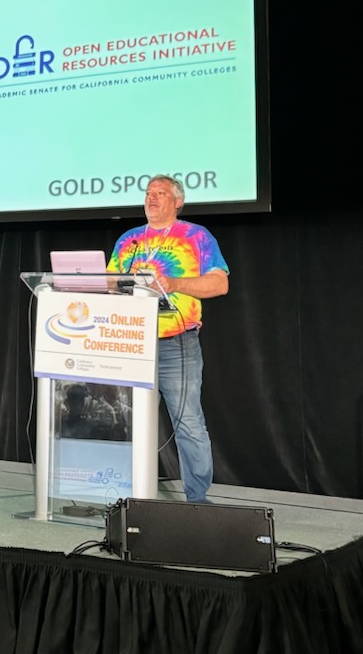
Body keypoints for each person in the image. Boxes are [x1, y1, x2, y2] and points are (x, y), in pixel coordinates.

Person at [107, 174, 229, 503]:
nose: (152, 197)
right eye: (148, 193)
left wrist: (174, 284)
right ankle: (126, 494)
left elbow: (219, 284)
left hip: (178, 344)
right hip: (133, 341)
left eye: (161, 193)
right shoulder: (129, 240)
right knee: (126, 419)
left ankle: (197, 499)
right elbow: (108, 283)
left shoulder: (196, 236)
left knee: (188, 423)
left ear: (177, 202)